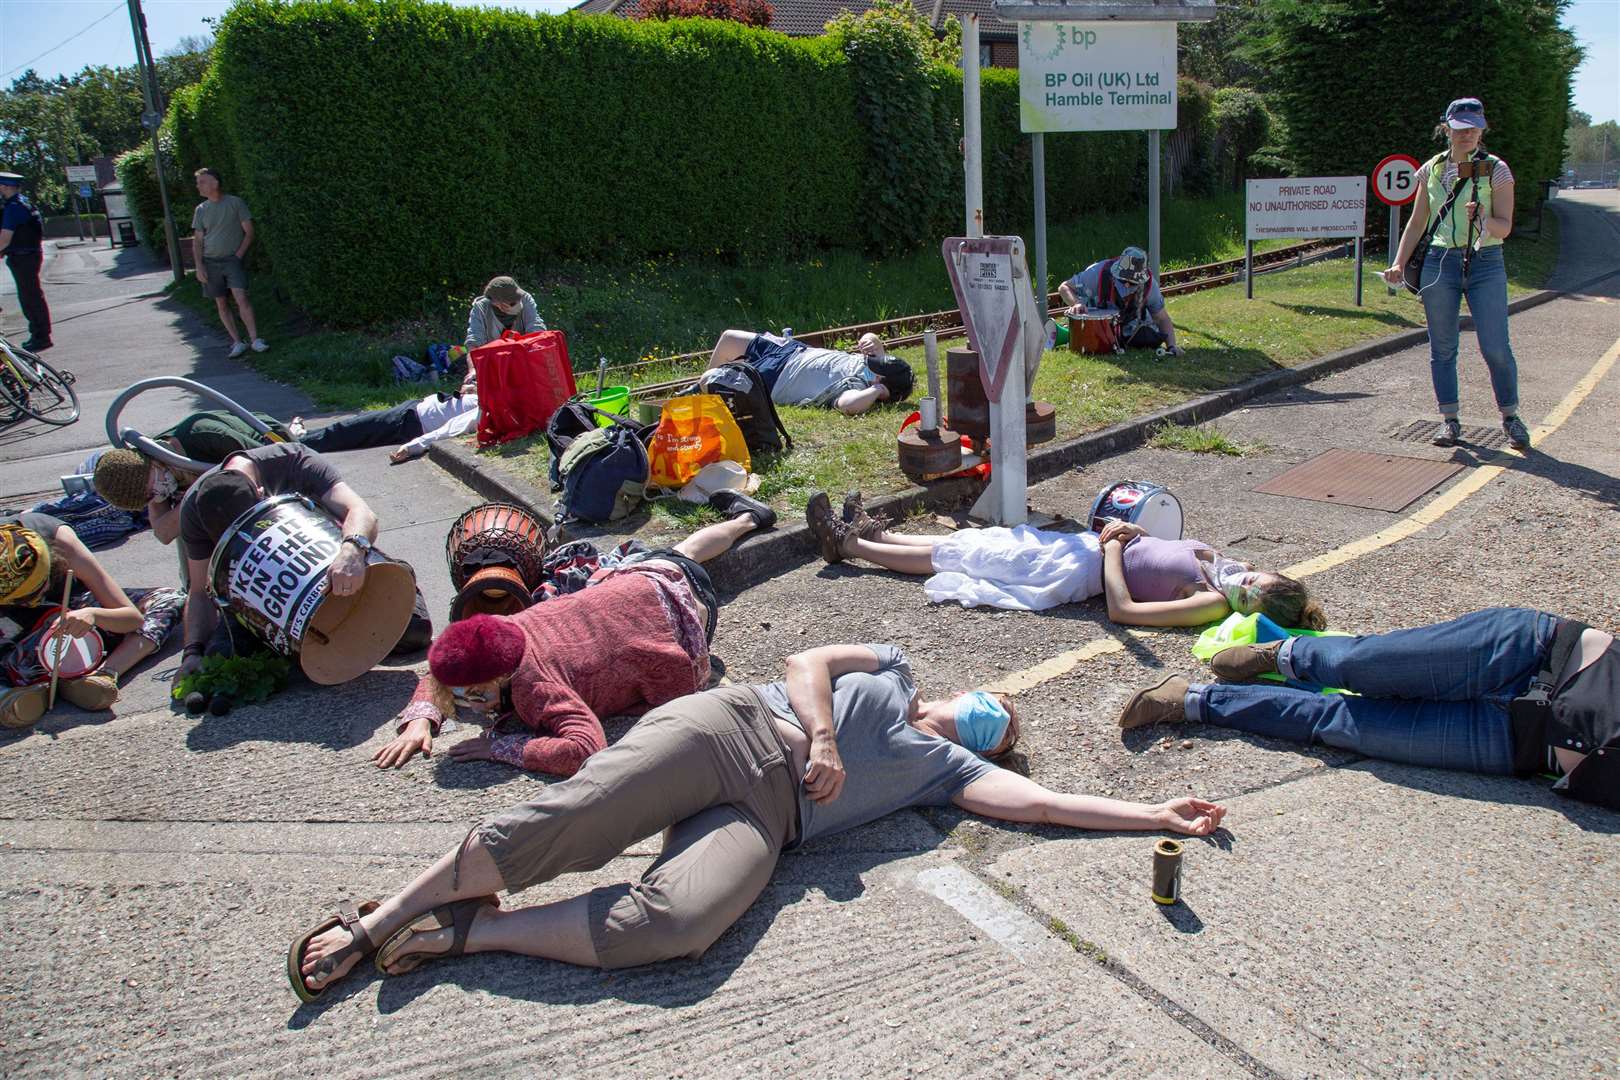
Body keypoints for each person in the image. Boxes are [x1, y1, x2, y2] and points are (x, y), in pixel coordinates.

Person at [289, 642, 1226, 1000]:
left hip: (766, 819)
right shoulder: (893, 673)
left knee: (679, 928)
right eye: (988, 707)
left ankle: (469, 936)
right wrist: (822, 737)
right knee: (574, 820)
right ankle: (373, 921)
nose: (978, 722)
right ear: (962, 690)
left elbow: (1047, 803)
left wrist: (1153, 810)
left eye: (995, 733)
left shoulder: (945, 772)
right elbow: (805, 659)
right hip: (729, 729)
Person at [372, 492, 780, 774]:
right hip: (638, 583)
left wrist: (502, 749)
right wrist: (422, 720)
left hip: (683, 620)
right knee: (683, 554)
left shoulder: (536, 689)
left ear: (501, 677)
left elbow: (585, 747)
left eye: (475, 695)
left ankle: (747, 518)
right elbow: (441, 670)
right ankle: (749, 518)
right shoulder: (504, 629)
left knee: (688, 561)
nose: (469, 706)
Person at [1116, 608, 1618, 810]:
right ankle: (1284, 655)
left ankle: (1192, 700)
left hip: (1519, 747)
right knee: (1363, 664)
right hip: (1539, 655)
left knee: (1339, 725)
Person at [806, 493, 1325, 629]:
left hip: (1078, 571)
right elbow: (1160, 554)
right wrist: (1133, 532)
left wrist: (1117, 548)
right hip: (1084, 549)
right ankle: (881, 534)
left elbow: (1123, 610)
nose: (1241, 585)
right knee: (979, 544)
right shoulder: (1221, 566)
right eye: (1253, 579)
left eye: (1248, 597)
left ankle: (851, 546)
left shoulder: (1211, 604)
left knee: (966, 559)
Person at [173, 442, 431, 679]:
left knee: (413, 633)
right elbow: (198, 592)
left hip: (341, 569)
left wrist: (352, 552)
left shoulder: (294, 460)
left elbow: (361, 512)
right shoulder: (194, 509)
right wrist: (191, 652)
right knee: (218, 659)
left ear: (261, 492)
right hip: (261, 601)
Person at [1381, 98, 1528, 451]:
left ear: (1482, 130)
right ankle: (1450, 421)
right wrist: (1399, 263)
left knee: (1495, 347)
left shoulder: (1497, 169)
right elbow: (1417, 222)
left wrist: (1482, 219)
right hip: (1439, 262)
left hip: (1486, 261)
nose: (1468, 135)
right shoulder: (1431, 170)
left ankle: (1511, 418)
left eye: (1474, 128)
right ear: (1447, 129)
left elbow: (1504, 228)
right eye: (1461, 129)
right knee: (1442, 348)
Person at [1, 514, 184, 729]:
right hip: (21, 640)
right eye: (23, 599)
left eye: (39, 588)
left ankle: (103, 674)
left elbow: (131, 618)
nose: (34, 601)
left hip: (78, 615)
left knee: (170, 599)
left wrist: (93, 615)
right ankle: (17, 693)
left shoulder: (58, 538)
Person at [94, 409, 290, 544]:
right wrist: (198, 496)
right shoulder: (154, 478)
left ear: (151, 463)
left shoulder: (205, 435)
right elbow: (163, 533)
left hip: (273, 444)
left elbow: (279, 465)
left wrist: (201, 493)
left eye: (151, 490)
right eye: (149, 497)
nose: (157, 495)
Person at [292, 367, 479, 463]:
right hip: (415, 411)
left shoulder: (496, 409)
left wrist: (414, 446)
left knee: (350, 430)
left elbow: (457, 425)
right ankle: (305, 438)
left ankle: (299, 441)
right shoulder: (502, 397)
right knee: (356, 426)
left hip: (412, 422)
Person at [708, 329, 914, 415]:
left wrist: (876, 390)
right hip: (791, 349)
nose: (872, 366)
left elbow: (848, 406)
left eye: (878, 375)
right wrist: (871, 339)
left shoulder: (857, 388)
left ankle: (701, 398)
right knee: (729, 338)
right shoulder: (882, 366)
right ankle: (702, 393)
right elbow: (875, 342)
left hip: (777, 377)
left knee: (711, 379)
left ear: (886, 390)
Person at [191, 168, 266, 359]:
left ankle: (255, 339)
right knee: (221, 303)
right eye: (198, 182)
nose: (198, 186)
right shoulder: (201, 210)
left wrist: (239, 255)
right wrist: (199, 266)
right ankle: (237, 341)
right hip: (210, 262)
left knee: (241, 297)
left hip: (232, 260)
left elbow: (249, 231)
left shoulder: (235, 203)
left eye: (202, 182)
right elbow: (198, 240)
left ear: (215, 183)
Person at [1059, 246, 1182, 355]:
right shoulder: (1098, 272)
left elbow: (1161, 318)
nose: (1127, 286)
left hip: (1131, 329)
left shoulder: (1150, 285)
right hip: (1098, 326)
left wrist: (1172, 346)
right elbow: (1064, 287)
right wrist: (1077, 303)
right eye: (1123, 280)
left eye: (1132, 282)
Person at [0, 172, 51, 352]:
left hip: (23, 257)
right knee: (33, 295)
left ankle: (40, 337)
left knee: (30, 297)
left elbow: (5, 238)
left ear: (5, 187)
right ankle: (40, 334)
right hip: (29, 254)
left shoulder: (13, 207)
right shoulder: (24, 203)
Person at [465, 276, 545, 352]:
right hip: (493, 358)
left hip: (522, 354)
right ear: (497, 302)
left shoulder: (525, 299)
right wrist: (473, 365)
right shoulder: (481, 307)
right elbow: (474, 340)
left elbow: (536, 328)